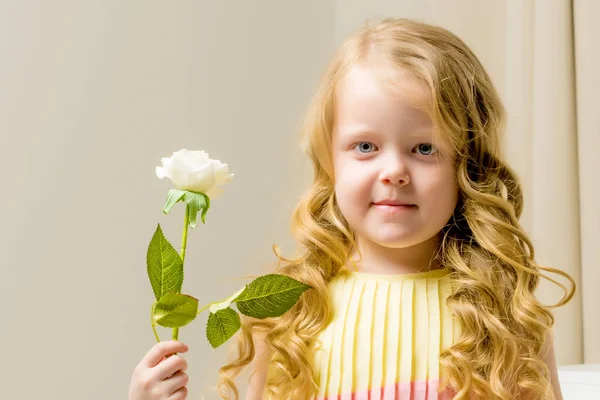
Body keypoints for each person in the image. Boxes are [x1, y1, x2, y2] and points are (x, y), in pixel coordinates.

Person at [128, 18, 575, 400]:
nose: (395, 171)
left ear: (467, 162)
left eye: (423, 148)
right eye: (365, 146)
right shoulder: (294, 311)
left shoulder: (502, 314)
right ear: (329, 159)